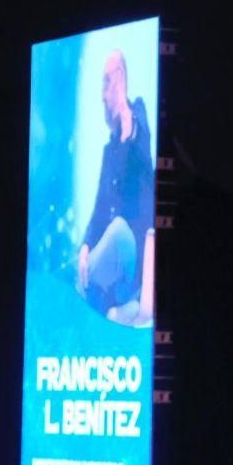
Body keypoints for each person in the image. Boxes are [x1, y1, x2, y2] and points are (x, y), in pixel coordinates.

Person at [77, 49, 155, 325]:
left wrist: (124, 110)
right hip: (115, 272)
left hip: (133, 249)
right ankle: (109, 310)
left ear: (121, 80)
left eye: (107, 82)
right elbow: (99, 211)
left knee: (118, 230)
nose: (102, 93)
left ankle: (102, 302)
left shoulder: (139, 114)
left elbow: (137, 139)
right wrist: (86, 247)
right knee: (81, 262)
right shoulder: (107, 151)